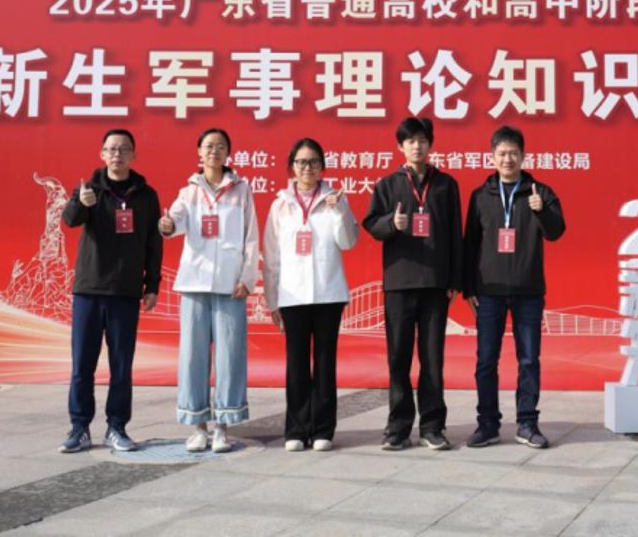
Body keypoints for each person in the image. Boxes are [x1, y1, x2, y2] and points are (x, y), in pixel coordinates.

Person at [59, 128, 162, 453]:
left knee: (121, 366)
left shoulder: (146, 195)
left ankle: (116, 427)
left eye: (124, 149)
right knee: (82, 365)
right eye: (111, 149)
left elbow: (153, 242)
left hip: (125, 292)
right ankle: (79, 427)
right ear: (102, 154)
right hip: (89, 290)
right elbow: (70, 220)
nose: (117, 154)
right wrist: (81, 203)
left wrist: (152, 285)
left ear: (134, 155)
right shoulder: (88, 189)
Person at [363, 117, 462, 451]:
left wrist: (454, 279)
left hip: (435, 284)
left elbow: (455, 233)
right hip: (399, 282)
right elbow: (371, 224)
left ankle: (433, 426)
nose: (416, 146)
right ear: (400, 146)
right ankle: (398, 427)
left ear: (430, 144)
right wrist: (392, 223)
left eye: (422, 140)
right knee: (399, 358)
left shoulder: (446, 185)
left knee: (433, 359)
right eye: (410, 141)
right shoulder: (387, 185)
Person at [463, 125, 565, 450]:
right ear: (492, 156)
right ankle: (487, 424)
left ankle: (527, 424)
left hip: (528, 291)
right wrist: (467, 287)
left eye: (513, 153)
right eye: (502, 153)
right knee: (485, 360)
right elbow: (470, 244)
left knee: (529, 360)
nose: (508, 159)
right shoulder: (481, 196)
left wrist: (541, 210)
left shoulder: (540, 192)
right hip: (489, 291)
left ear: (523, 156)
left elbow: (556, 231)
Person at [159, 127, 258, 453]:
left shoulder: (241, 190)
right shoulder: (189, 191)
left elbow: (251, 237)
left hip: (230, 286)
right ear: (199, 152)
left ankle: (222, 428)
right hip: (194, 283)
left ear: (228, 153)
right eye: (208, 146)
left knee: (230, 356)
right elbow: (176, 220)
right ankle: (198, 426)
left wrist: (247, 277)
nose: (214, 151)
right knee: (192, 357)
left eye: (220, 146)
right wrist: (168, 225)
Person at [263, 138, 359, 452]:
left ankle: (322, 430)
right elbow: (272, 256)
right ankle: (296, 429)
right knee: (296, 365)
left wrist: (339, 210)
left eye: (314, 162)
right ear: (292, 166)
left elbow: (348, 242)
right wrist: (272, 300)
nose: (308, 168)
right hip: (293, 296)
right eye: (302, 162)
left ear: (322, 166)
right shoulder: (280, 205)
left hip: (329, 293)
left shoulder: (335, 199)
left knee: (325, 363)